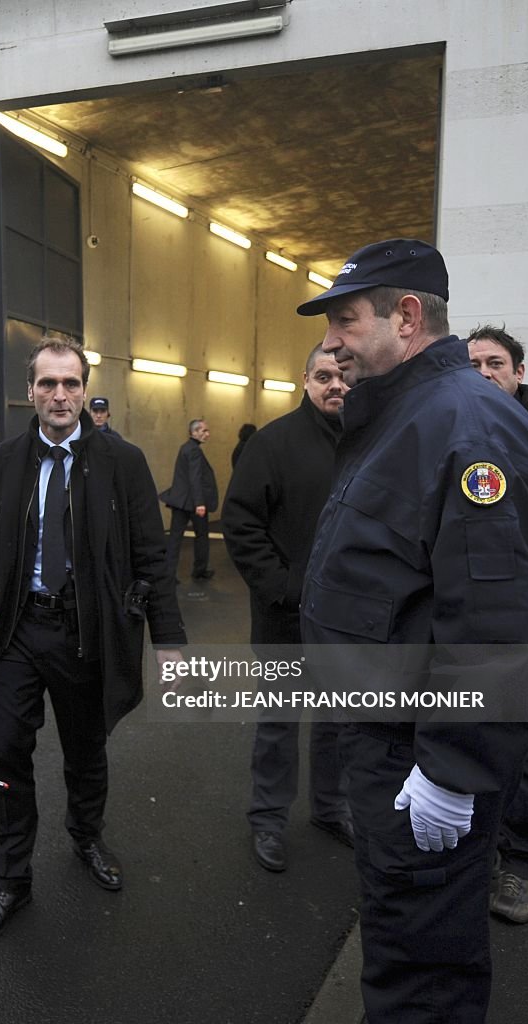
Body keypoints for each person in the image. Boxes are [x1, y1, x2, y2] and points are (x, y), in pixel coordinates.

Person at [297, 238, 528, 1023]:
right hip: (384, 740)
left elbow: (498, 622)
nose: (333, 342)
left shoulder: (467, 425)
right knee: (400, 943)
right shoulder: (405, 412)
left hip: (422, 760)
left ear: (406, 316)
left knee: (422, 974)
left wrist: (451, 774)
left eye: (346, 320)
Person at [0, 335, 186, 945]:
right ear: (29, 392)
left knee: (86, 748)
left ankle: (87, 836)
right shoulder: (3, 461)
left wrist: (168, 640)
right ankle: (11, 877)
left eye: (71, 383)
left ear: (84, 390)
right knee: (6, 751)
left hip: (86, 633)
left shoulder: (122, 461)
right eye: (47, 384)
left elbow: (150, 554)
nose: (60, 395)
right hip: (16, 631)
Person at [223, 346, 351, 873]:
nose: (335, 385)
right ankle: (269, 820)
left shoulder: (373, 441)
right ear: (304, 380)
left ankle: (330, 808)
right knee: (279, 723)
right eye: (324, 376)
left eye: (344, 376)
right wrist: (282, 586)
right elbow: (241, 522)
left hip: (349, 621)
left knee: (338, 722)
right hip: (285, 616)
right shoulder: (273, 443)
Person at [468, 324, 528, 924]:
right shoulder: (456, 425)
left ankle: (519, 866)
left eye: (495, 363)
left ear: (519, 372)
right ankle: (470, 858)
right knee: (468, 740)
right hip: (473, 622)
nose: (483, 372)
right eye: (472, 363)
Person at [160, 419, 219, 581]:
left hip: (179, 501)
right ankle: (199, 569)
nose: (207, 434)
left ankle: (169, 573)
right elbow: (195, 477)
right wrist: (200, 503)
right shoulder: (194, 451)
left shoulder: (185, 448)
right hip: (193, 503)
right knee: (201, 536)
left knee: (175, 538)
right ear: (194, 433)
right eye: (204, 431)